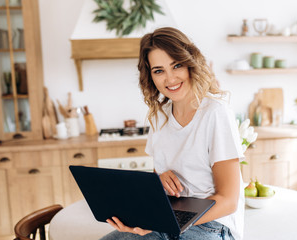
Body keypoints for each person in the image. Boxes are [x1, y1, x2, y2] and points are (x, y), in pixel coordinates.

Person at [100, 27, 245, 240]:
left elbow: (228, 201)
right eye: (159, 71)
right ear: (150, 76)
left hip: (210, 225)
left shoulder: (215, 113)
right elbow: (159, 182)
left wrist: (166, 222)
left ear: (190, 64)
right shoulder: (159, 116)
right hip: (169, 217)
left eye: (176, 65)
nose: (170, 79)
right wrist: (158, 181)